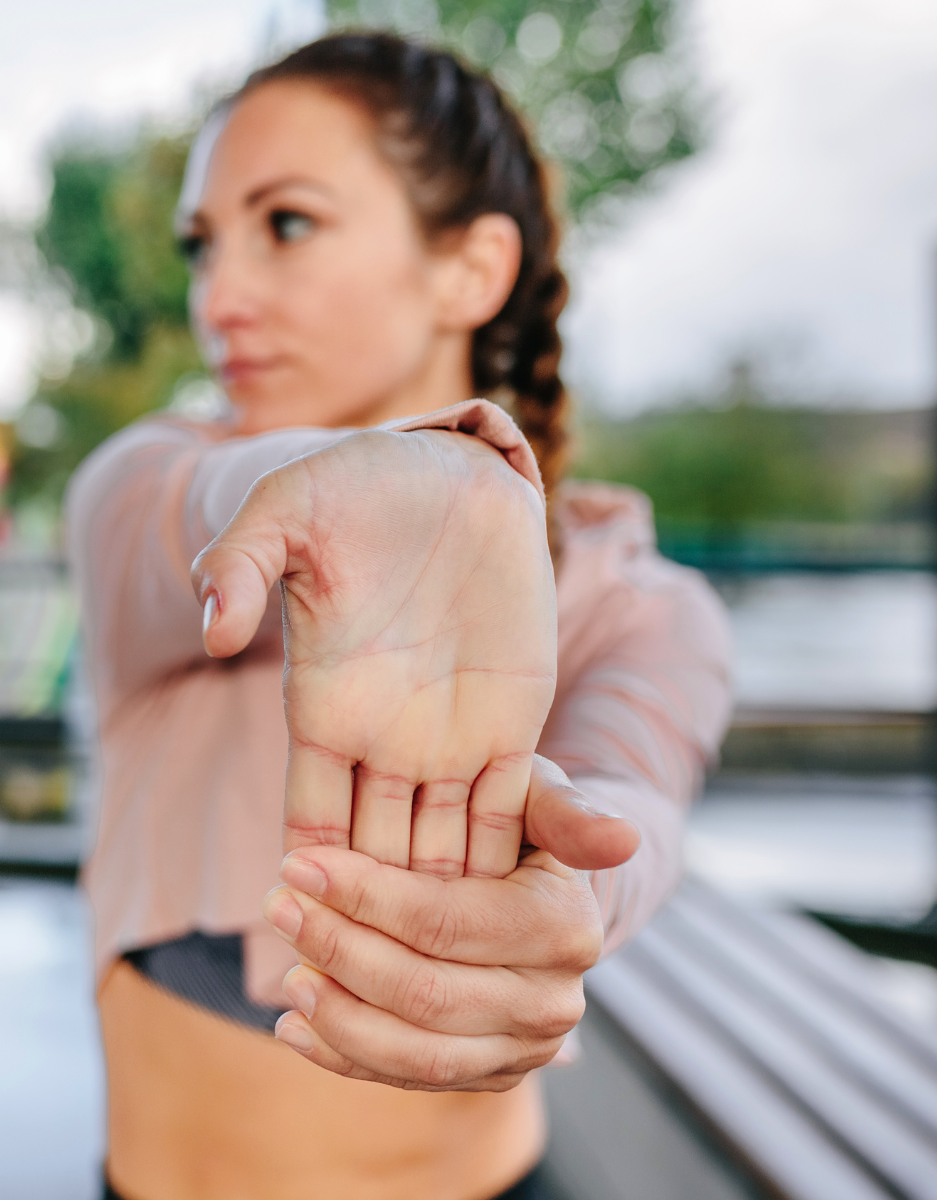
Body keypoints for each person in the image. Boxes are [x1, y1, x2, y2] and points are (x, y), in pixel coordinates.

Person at [64, 32, 732, 1200]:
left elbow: (632, 795)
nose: (217, 298)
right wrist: (378, 484)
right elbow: (202, 506)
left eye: (286, 223)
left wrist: (571, 899)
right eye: (200, 245)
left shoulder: (638, 601)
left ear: (471, 269)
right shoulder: (154, 488)